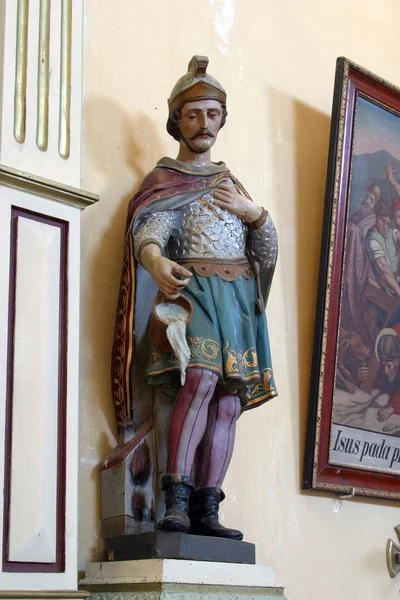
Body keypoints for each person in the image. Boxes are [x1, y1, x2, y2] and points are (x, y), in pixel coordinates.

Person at [111, 56, 278, 540]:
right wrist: (155, 261)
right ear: (176, 121)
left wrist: (257, 215)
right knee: (200, 380)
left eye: (211, 114)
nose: (203, 124)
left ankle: (208, 507)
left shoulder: (232, 185)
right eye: (192, 115)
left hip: (237, 296)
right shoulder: (165, 182)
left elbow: (263, 251)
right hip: (194, 292)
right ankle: (175, 499)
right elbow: (152, 229)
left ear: (222, 119)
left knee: (229, 401)